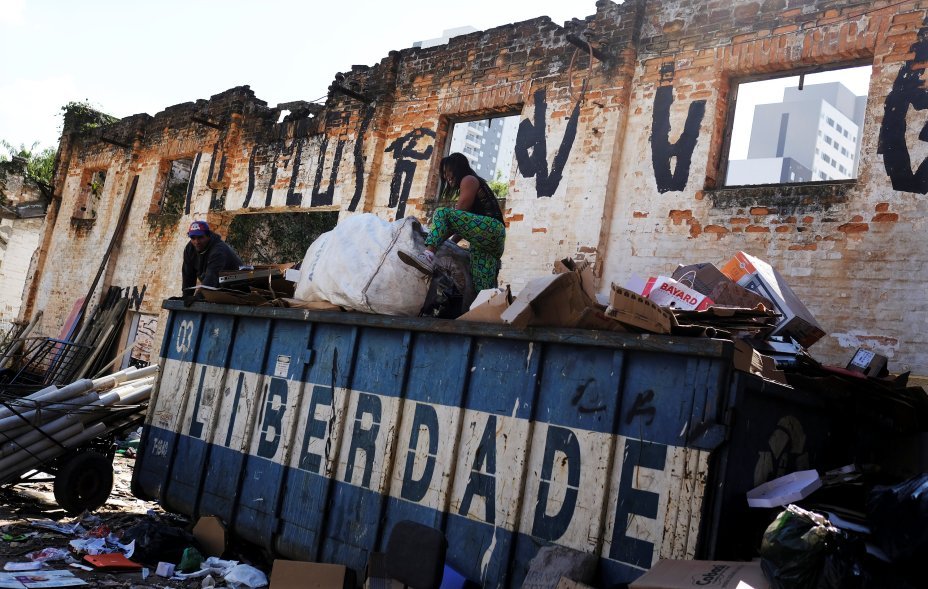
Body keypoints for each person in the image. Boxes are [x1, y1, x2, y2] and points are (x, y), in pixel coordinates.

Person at [398, 152, 506, 291]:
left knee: (442, 213)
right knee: (482, 289)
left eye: (448, 171)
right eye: (443, 173)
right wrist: (450, 243)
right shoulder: (471, 182)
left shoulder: (469, 180)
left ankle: (427, 256)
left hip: (492, 229)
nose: (446, 176)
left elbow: (455, 216)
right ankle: (489, 308)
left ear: (457, 168)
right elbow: (464, 224)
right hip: (489, 240)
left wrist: (435, 243)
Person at [181, 220, 244, 296]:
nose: (196, 242)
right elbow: (188, 275)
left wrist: (197, 298)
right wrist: (186, 297)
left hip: (235, 289)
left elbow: (211, 277)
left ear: (208, 235)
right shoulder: (190, 248)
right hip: (216, 287)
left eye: (200, 237)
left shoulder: (218, 250)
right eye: (193, 238)